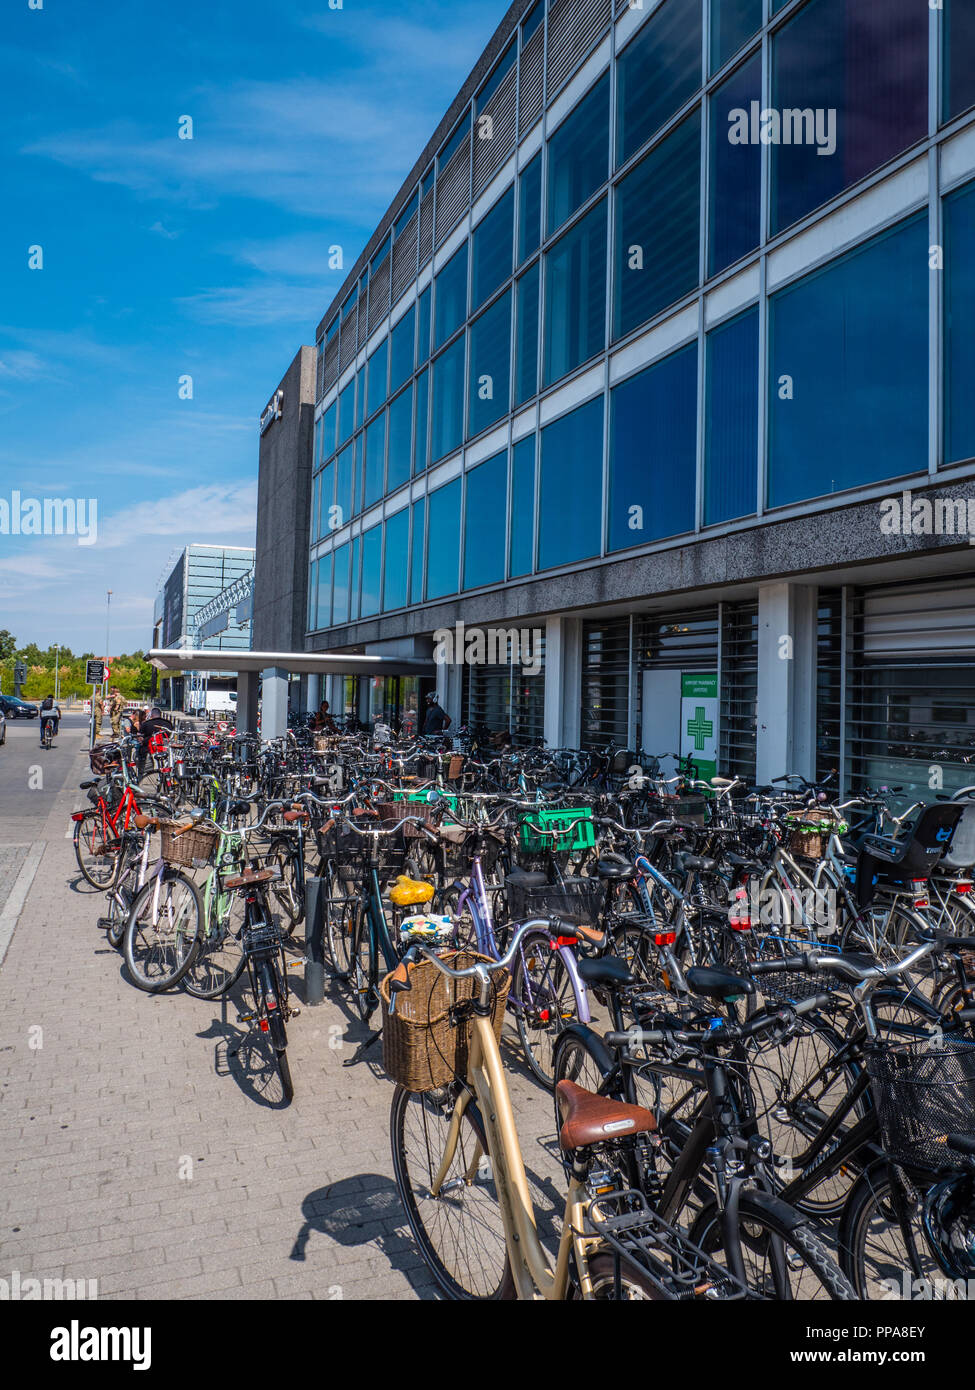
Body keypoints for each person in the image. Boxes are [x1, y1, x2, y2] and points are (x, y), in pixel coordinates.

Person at [135, 705, 170, 783]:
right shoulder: (168, 723)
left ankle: (141, 778)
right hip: (165, 748)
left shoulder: (147, 724)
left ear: (152, 715)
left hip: (149, 749)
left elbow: (139, 736)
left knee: (143, 763)